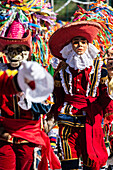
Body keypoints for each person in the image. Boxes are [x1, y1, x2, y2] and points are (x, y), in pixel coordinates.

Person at [48, 20, 113, 170]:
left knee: (91, 159)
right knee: (68, 160)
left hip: (90, 118)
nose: (79, 45)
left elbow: (104, 97)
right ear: (71, 46)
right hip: (67, 118)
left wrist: (109, 115)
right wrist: (51, 115)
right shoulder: (62, 71)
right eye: (76, 42)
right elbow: (58, 97)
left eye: (83, 42)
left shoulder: (100, 70)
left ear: (88, 45)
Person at [0, 18, 61, 170]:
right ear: (5, 52)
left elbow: (46, 106)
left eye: (19, 50)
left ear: (26, 53)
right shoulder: (1, 73)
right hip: (4, 132)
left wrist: (31, 98)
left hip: (28, 134)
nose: (14, 54)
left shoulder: (36, 74)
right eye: (11, 49)